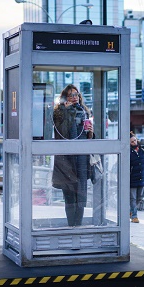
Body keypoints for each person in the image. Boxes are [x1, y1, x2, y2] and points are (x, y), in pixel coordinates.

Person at [51, 84, 94, 227]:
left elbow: (89, 140)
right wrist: (67, 111)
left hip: (81, 160)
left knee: (81, 196)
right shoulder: (59, 113)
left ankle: (78, 226)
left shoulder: (84, 112)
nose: (75, 97)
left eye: (76, 94)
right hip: (66, 161)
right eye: (71, 95)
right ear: (65, 98)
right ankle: (71, 226)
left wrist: (90, 132)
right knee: (69, 196)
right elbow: (62, 133)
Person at [129, 132, 144, 223]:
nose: (134, 142)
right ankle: (134, 216)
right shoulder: (128, 151)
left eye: (135, 140)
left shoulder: (142, 151)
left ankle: (131, 211)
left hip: (142, 177)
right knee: (132, 198)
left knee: (140, 197)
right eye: (132, 141)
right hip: (132, 178)